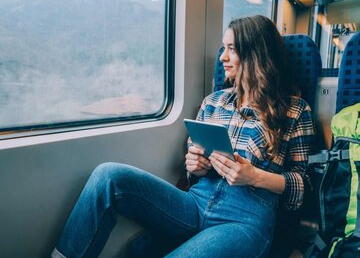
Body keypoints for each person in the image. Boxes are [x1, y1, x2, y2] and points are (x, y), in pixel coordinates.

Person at [51, 15, 315, 258]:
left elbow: (302, 187)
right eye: (223, 48)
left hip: (244, 219)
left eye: (232, 49)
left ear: (256, 54)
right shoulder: (213, 102)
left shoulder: (295, 110)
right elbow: (193, 164)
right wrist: (194, 166)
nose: (222, 57)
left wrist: (254, 176)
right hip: (194, 203)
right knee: (108, 176)